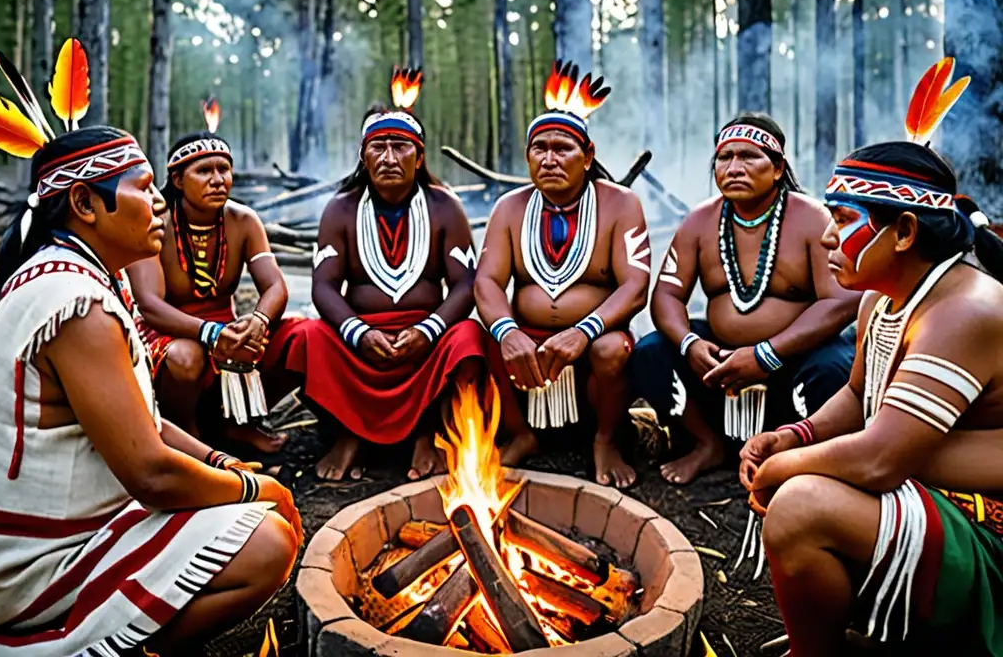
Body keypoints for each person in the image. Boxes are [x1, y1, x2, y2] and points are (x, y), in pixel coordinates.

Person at [0, 39, 301, 656]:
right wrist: (257, 490)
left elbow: (144, 425)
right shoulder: (75, 304)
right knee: (268, 540)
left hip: (50, 537)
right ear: (83, 205)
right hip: (25, 566)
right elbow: (151, 473)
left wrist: (223, 462)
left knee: (252, 509)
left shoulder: (88, 275)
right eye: (145, 188)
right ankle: (118, 646)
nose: (157, 203)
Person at [739, 59, 1003, 656]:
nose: (827, 237)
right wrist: (795, 434)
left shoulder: (963, 311)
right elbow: (860, 396)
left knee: (801, 506)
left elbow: (881, 459)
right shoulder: (882, 301)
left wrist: (788, 468)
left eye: (842, 220)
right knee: (804, 482)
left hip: (991, 532)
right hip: (938, 498)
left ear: (904, 233)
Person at [269, 68, 531, 481]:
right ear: (363, 156)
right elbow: (323, 286)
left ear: (419, 156)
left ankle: (430, 432)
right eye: (378, 147)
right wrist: (358, 332)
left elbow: (464, 283)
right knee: (303, 337)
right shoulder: (341, 209)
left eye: (400, 147)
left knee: (468, 339)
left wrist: (428, 331)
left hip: (426, 340)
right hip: (358, 342)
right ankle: (348, 433)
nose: (389, 158)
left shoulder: (445, 208)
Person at [629, 113, 861, 484]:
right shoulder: (698, 223)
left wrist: (766, 353)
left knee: (835, 367)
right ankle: (707, 444)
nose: (734, 167)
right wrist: (690, 345)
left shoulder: (813, 219)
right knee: (649, 352)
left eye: (749, 157)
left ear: (777, 167)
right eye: (725, 157)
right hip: (717, 364)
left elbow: (842, 300)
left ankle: (796, 457)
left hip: (792, 361)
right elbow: (667, 295)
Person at [474, 60, 650, 489]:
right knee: (468, 338)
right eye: (540, 148)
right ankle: (522, 433)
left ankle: (605, 439)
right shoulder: (509, 209)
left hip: (593, 346)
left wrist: (583, 332)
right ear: (528, 155)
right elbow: (486, 281)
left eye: (563, 148)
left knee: (611, 348)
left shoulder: (620, 204)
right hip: (525, 346)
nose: (550, 159)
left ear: (588, 156)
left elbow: (636, 285)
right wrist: (506, 331)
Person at [126, 99, 290, 455]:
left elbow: (275, 285)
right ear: (177, 180)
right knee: (187, 358)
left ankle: (235, 426)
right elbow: (149, 306)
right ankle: (186, 431)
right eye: (204, 171)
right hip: (168, 331)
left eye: (224, 169)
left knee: (298, 339)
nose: (218, 180)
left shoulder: (243, 221)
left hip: (224, 326)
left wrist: (259, 321)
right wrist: (210, 333)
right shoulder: (154, 224)